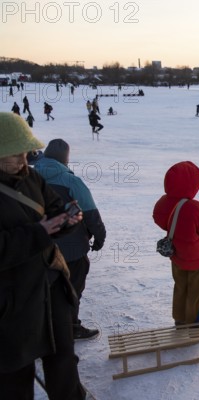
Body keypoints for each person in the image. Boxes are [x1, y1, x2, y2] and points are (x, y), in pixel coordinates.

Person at [0, 112, 86, 399]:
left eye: (26, 153)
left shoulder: (32, 178)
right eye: (15, 156)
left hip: (52, 286)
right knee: (17, 371)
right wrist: (40, 232)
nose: (24, 162)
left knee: (63, 360)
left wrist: (65, 220)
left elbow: (53, 210)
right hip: (13, 301)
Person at [35, 139, 107, 339]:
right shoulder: (71, 181)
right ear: (65, 158)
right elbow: (90, 213)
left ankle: (44, 329)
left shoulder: (30, 177)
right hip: (72, 250)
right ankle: (70, 327)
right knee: (72, 289)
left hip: (39, 248)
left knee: (45, 290)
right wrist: (100, 236)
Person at [153, 161, 199, 326]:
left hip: (176, 255)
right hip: (198, 258)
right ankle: (198, 325)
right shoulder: (194, 208)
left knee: (180, 287)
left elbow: (159, 220)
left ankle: (180, 319)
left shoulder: (163, 202)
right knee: (198, 292)